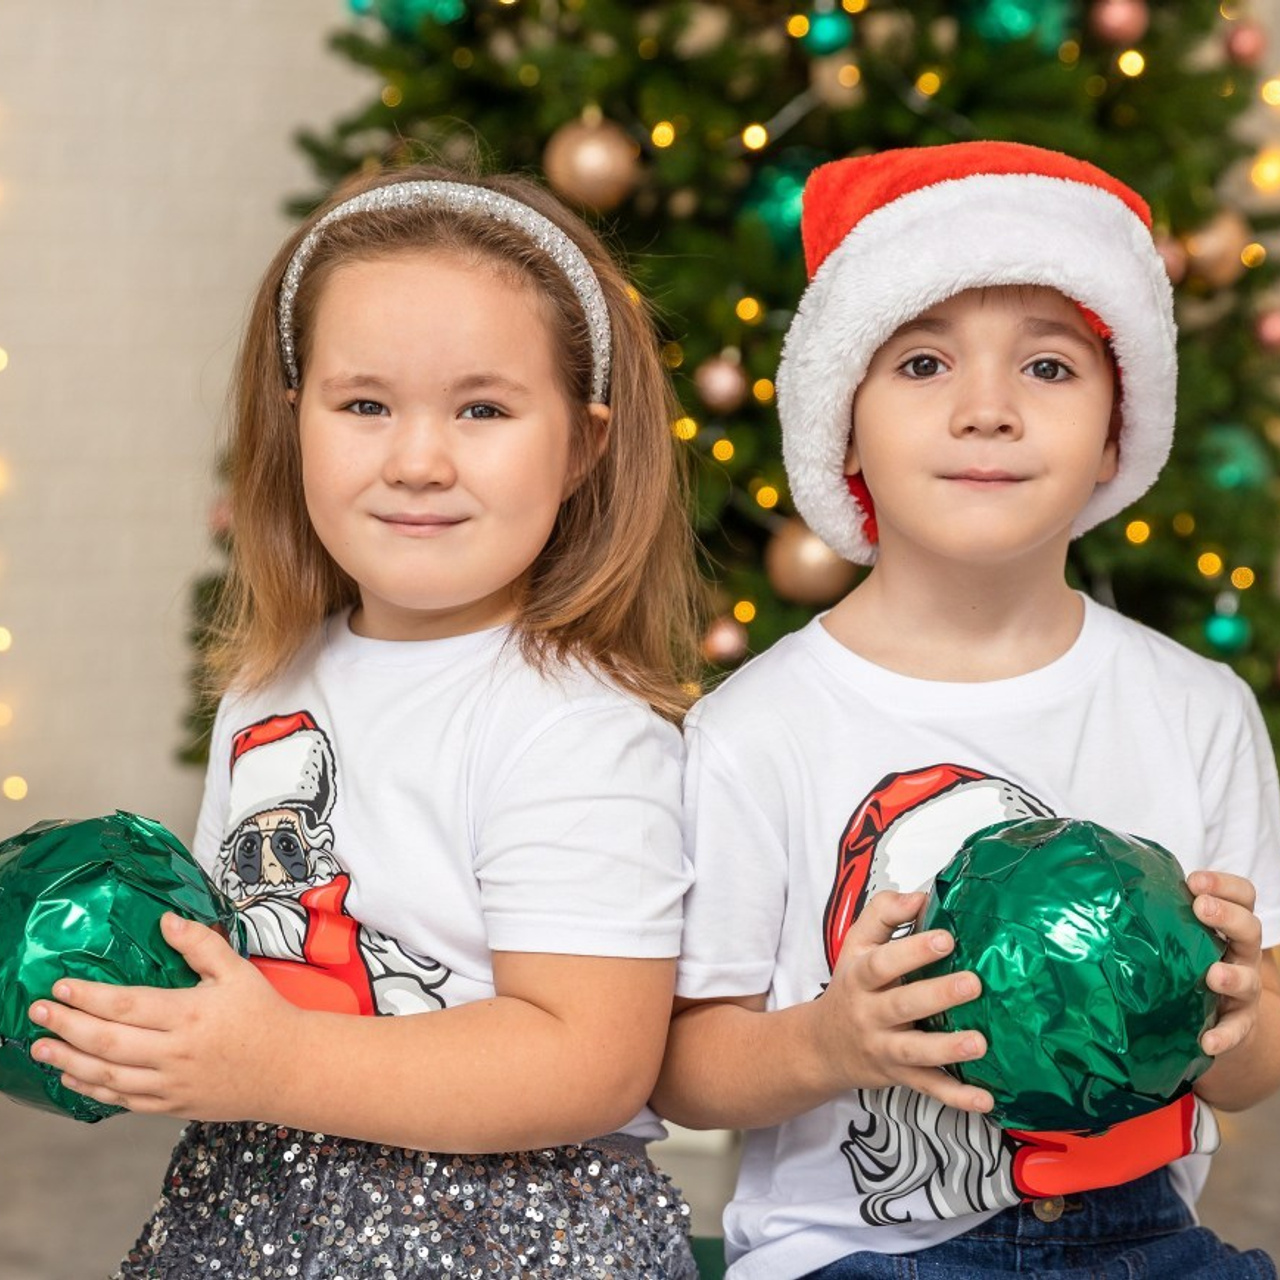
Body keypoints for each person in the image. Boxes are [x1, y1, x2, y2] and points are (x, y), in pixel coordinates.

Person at [27, 164, 704, 1280]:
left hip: (504, 1240)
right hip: (241, 1215)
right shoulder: (272, 683)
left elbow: (591, 1056)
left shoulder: (575, 722)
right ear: (294, 425)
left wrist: (274, 1062)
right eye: (364, 404)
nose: (417, 459)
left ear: (583, 445)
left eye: (481, 408)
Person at [653, 141, 1280, 1279]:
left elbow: (1248, 1067)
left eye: (1047, 369)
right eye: (923, 362)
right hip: (852, 1255)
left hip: (1148, 1241)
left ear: (1113, 432)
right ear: (838, 425)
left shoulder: (1198, 710)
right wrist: (828, 1039)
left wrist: (1232, 1010)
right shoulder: (758, 729)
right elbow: (685, 1065)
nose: (985, 409)